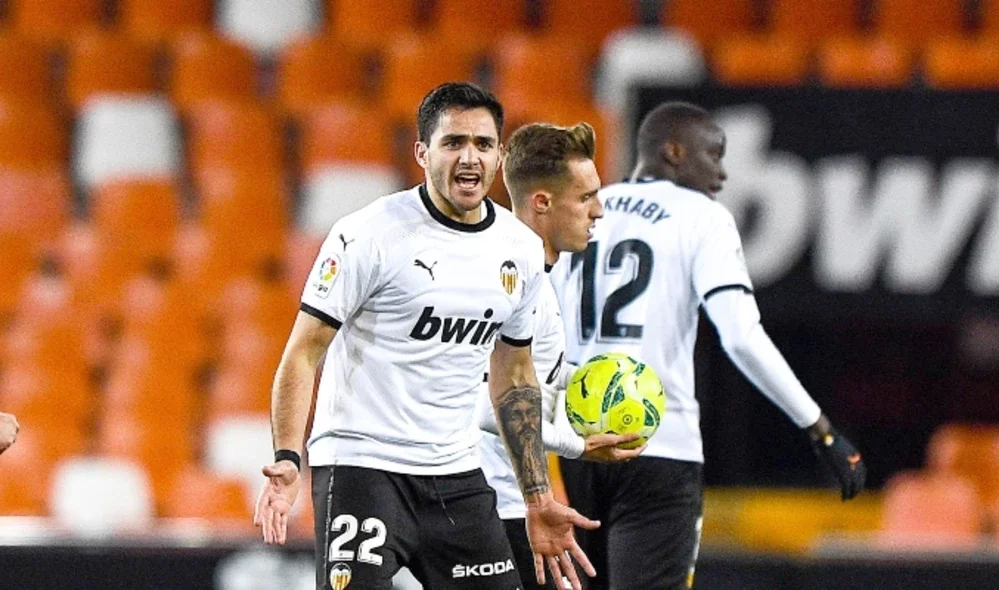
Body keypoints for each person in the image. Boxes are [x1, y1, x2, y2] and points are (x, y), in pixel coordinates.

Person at [253, 82, 597, 590]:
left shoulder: (519, 249)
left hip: (455, 474)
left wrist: (537, 497)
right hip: (363, 465)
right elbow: (304, 353)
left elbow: (514, 378)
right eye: (453, 142)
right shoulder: (368, 234)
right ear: (422, 152)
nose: (469, 157)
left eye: (483, 144)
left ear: (500, 155)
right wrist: (287, 457)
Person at [551, 101, 868, 589]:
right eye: (714, 155)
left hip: (576, 442)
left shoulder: (585, 205)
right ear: (674, 151)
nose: (721, 174)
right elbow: (740, 335)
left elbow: (536, 327)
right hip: (658, 441)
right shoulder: (702, 216)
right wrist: (820, 428)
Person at [475, 121, 643, 589]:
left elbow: (533, 377)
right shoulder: (500, 277)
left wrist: (600, 383)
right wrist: (577, 445)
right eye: (586, 197)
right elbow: (481, 401)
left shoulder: (535, 279)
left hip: (508, 502)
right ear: (542, 203)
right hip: (485, 506)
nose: (600, 211)